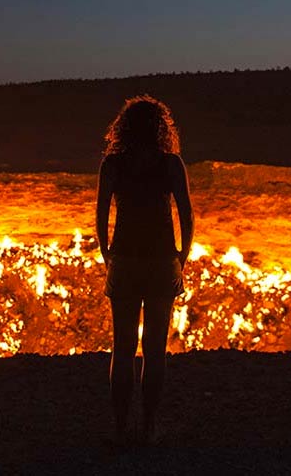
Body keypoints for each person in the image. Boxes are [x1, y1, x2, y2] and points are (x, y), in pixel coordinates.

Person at [95, 94, 194, 446]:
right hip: (160, 260)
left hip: (124, 259)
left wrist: (109, 256)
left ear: (123, 128)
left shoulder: (113, 164)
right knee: (155, 348)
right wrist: (181, 257)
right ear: (160, 128)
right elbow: (186, 214)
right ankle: (150, 427)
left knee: (122, 348)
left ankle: (121, 429)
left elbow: (101, 217)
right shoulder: (171, 164)